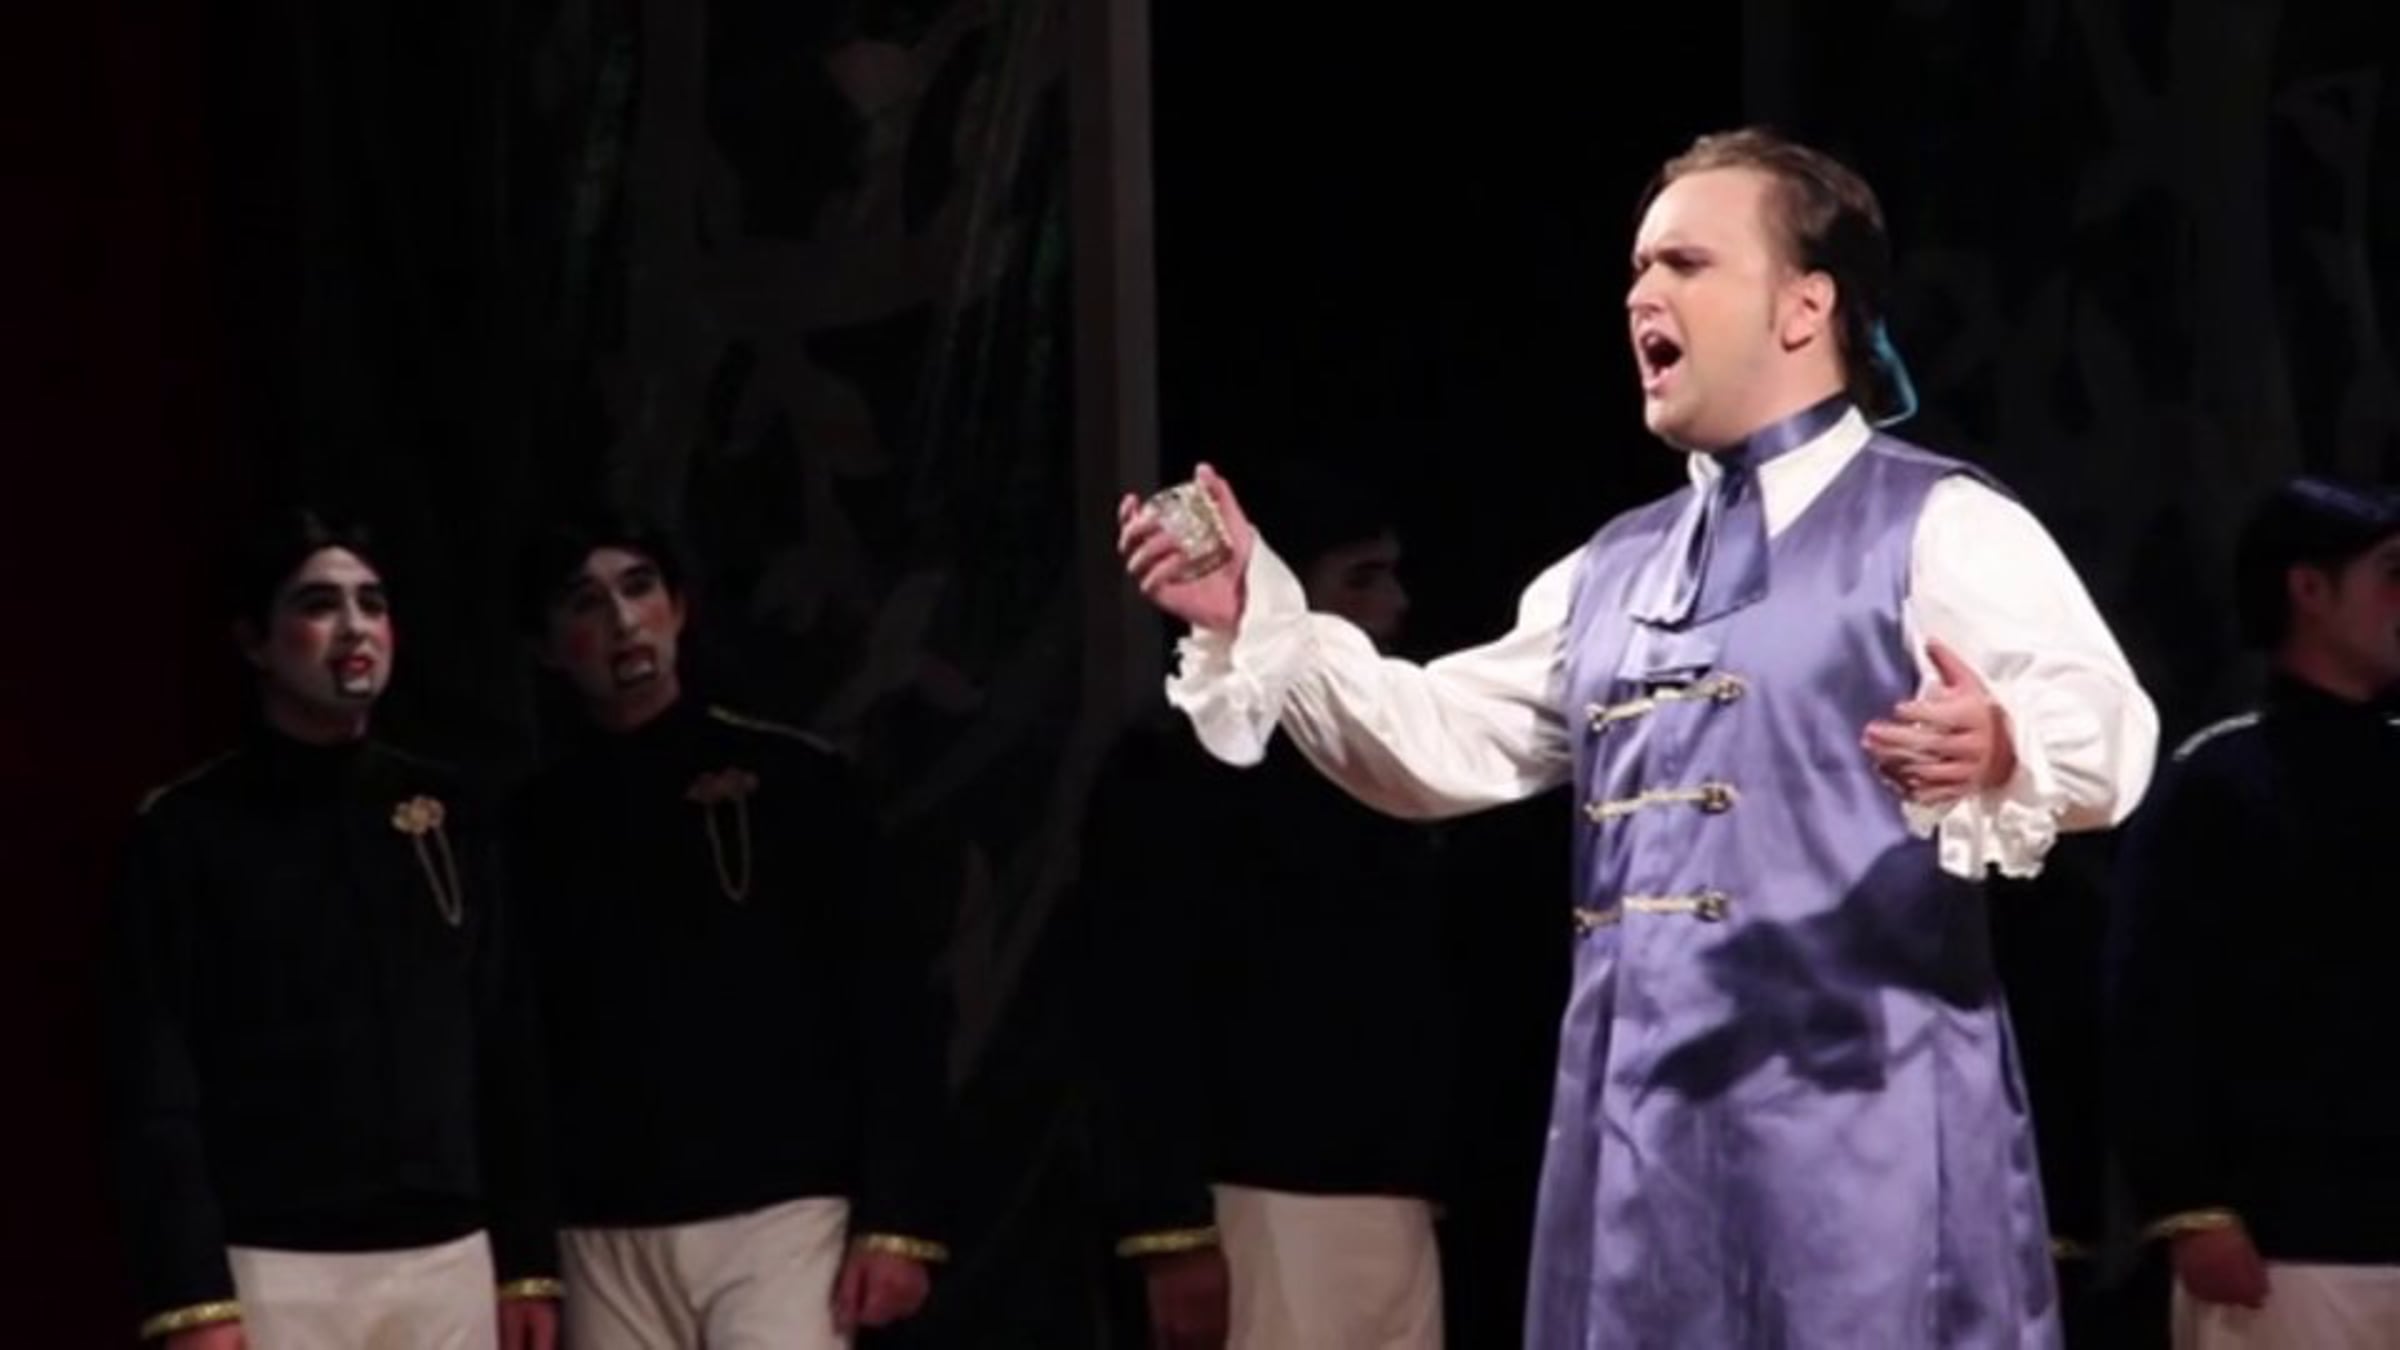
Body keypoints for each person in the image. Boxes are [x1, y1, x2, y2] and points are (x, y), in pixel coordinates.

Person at [1116, 127, 2159, 1347]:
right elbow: (1440, 740)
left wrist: (2004, 744)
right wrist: (1265, 619)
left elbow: (2108, 723)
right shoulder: (1615, 567)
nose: (1641, 294)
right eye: (1638, 268)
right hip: (1638, 1152)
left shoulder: (1932, 522)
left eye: (1686, 263)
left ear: (1805, 306)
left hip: (1862, 1141)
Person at [105, 509, 559, 1349]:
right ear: (255, 641)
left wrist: (527, 1262)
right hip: (276, 1265)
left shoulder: (451, 812)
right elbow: (154, 1078)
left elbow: (506, 1043)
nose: (355, 628)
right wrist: (192, 1294)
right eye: (319, 604)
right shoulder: (189, 830)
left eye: (372, 603)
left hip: (448, 1257)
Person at [509, 515, 948, 1350]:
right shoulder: (529, 826)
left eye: (640, 588)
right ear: (546, 646)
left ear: (679, 608)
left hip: (781, 1212)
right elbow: (515, 1054)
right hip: (602, 1225)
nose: (623, 621)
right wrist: (527, 1259)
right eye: (587, 602)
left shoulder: (796, 782)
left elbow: (892, 1005)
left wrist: (899, 1220)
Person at [1086, 463, 1451, 1349]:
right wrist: (1171, 1228)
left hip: (1392, 1195)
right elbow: (1140, 1008)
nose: (1394, 605)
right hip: (1258, 1197)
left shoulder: (1389, 763)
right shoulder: (1174, 771)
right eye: (1362, 578)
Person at [2107, 477, 2400, 1350]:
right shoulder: (2220, 779)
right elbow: (2152, 1002)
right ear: (2309, 588)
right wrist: (2188, 1205)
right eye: (2392, 573)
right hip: (2291, 1244)